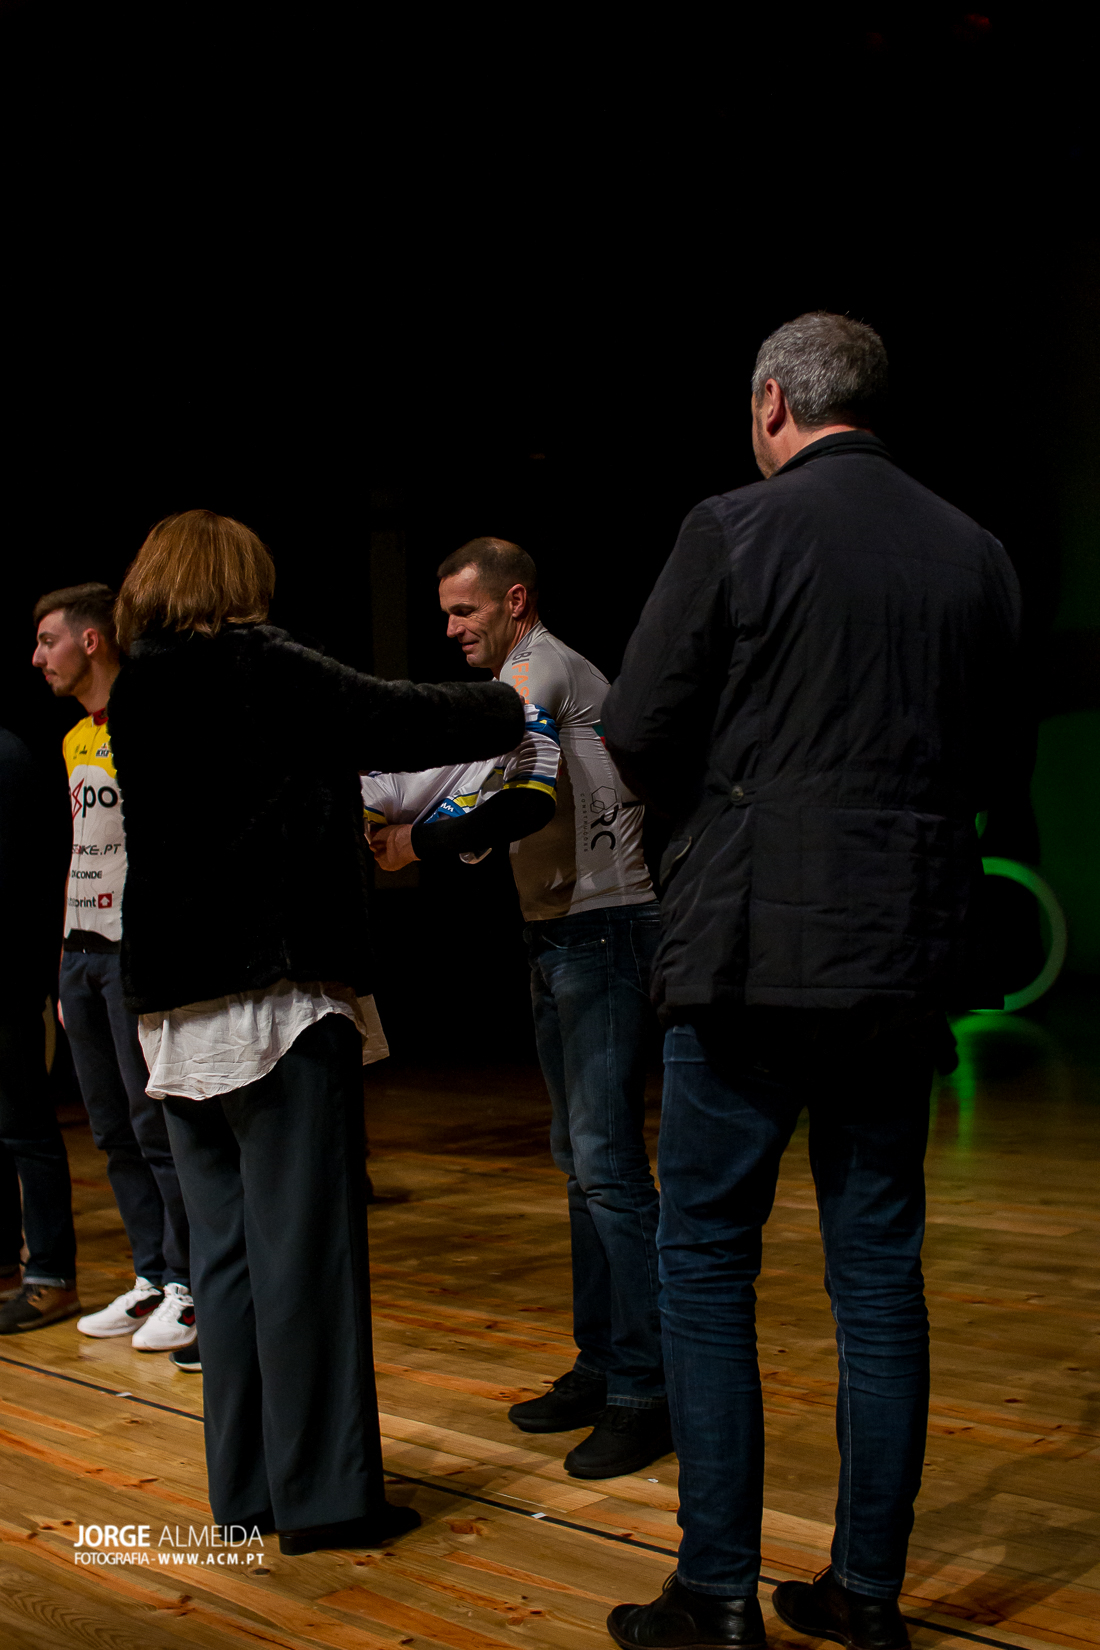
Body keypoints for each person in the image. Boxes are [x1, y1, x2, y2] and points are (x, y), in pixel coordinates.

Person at [601, 313, 1020, 1650]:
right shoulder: (975, 550)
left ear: (773, 400)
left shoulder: (732, 525)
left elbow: (635, 726)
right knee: (878, 1278)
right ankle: (867, 1594)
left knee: (705, 1262)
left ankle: (715, 1593)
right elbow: (996, 760)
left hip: (748, 957)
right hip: (902, 957)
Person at [108, 508, 523, 1556]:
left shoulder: (139, 683)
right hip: (275, 992)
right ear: (237, 579)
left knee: (227, 1265)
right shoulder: (257, 662)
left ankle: (247, 1492)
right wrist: (511, 699)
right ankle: (328, 1501)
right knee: (307, 1259)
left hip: (175, 1003)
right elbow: (398, 716)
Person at [371, 538, 669, 1480]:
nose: (450, 629)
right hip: (561, 935)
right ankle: (604, 1365)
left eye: (464, 611)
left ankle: (649, 1391)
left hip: (604, 930)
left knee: (609, 1169)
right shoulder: (512, 682)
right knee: (583, 1168)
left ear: (515, 601)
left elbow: (522, 809)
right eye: (445, 613)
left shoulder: (540, 670)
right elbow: (479, 792)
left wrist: (417, 845)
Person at [31, 584, 196, 1363]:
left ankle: (190, 1285)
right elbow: (80, 846)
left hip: (135, 950)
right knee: (109, 1129)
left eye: (48, 640)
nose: (38, 657)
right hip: (82, 952)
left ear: (90, 640)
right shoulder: (72, 739)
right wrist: (65, 953)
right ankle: (151, 1273)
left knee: (152, 1123)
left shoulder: (149, 720)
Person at [0, 721, 79, 1334]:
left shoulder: (8, 757)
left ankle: (50, 1275)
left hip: (11, 973)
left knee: (24, 1125)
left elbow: (26, 874)